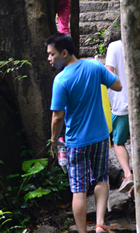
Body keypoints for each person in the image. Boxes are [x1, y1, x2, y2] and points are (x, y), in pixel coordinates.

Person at [47, 33, 122, 233]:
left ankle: (82, 232)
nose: (49, 58)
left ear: (64, 52)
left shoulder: (61, 80)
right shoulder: (95, 66)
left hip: (76, 142)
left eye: (52, 54)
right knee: (101, 178)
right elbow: (118, 85)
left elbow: (57, 117)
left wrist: (53, 140)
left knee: (79, 189)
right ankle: (99, 223)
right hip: (100, 137)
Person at [105, 38, 140, 194]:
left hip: (121, 103)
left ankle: (128, 175)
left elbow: (109, 73)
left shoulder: (114, 46)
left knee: (118, 142)